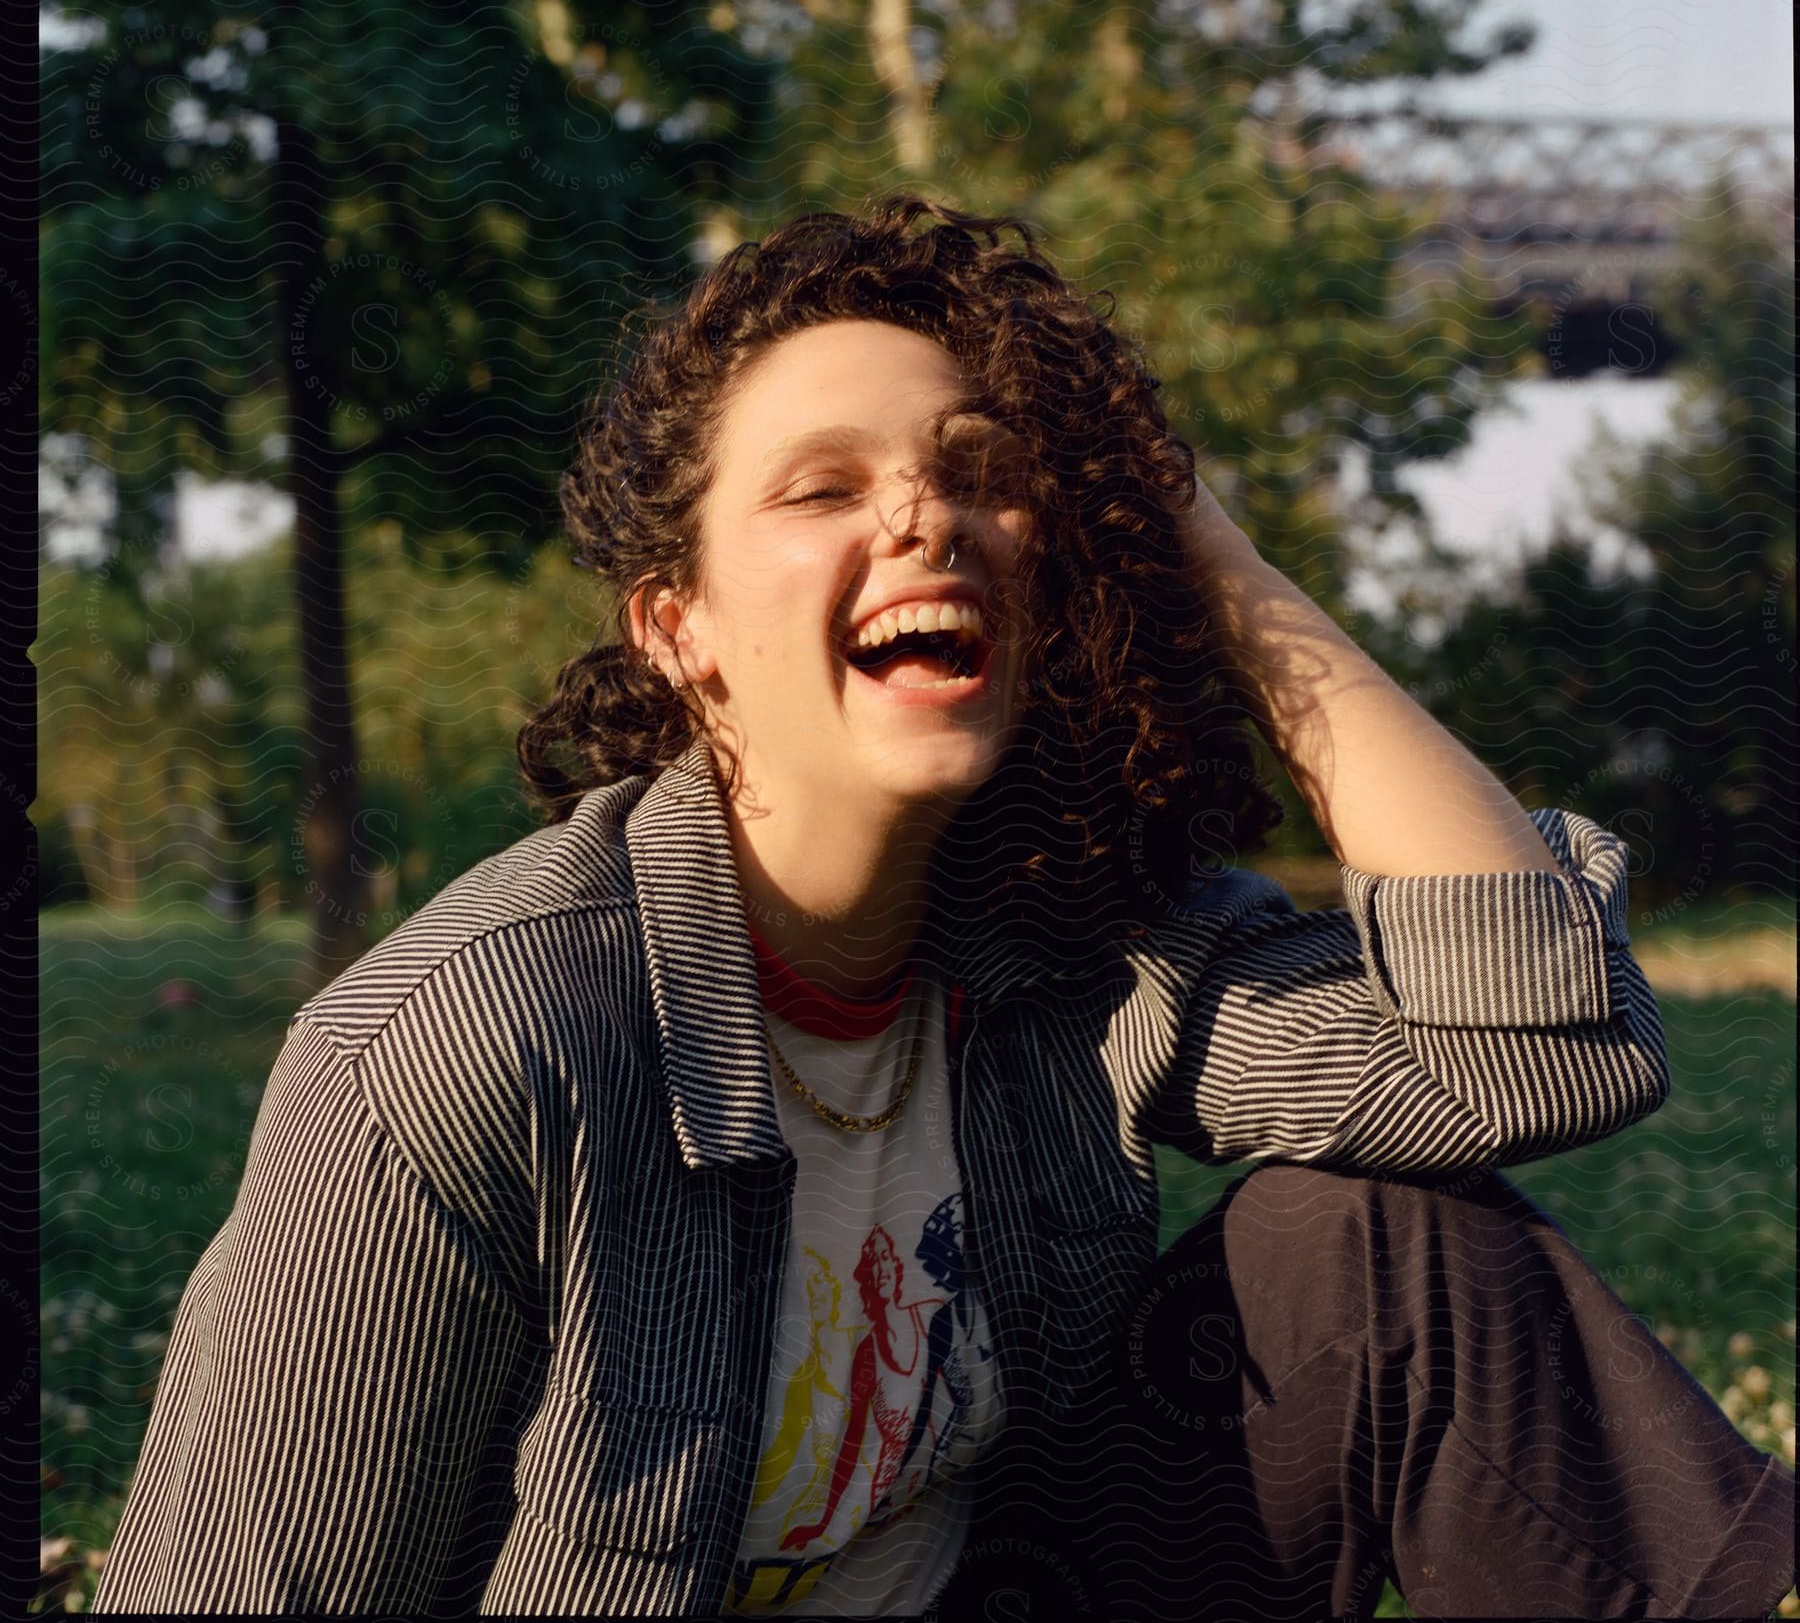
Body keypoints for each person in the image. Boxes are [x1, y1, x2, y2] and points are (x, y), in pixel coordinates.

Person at [92, 196, 1795, 1619]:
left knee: (1380, 1243)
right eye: (822, 487)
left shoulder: (1072, 941)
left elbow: (1544, 1047)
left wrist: (1213, 556)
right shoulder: (462, 1049)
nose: (925, 512)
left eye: (981, 472)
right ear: (677, 628)